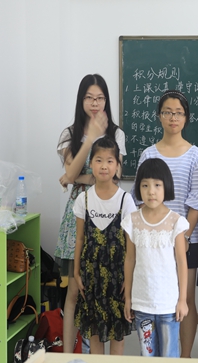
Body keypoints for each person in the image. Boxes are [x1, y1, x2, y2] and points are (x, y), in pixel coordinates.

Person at [132, 90, 198, 358]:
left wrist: (184, 236)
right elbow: (140, 199)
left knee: (184, 298)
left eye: (178, 113)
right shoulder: (148, 154)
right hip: (153, 241)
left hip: (186, 239)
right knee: (156, 299)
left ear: (186, 117)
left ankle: (184, 356)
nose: (173, 117)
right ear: (159, 116)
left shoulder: (194, 154)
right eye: (167, 112)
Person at [55, 73, 126, 352]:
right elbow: (72, 173)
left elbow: (115, 176)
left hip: (109, 213)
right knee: (75, 290)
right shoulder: (69, 134)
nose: (95, 103)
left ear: (106, 100)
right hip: (78, 214)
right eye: (89, 98)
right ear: (81, 100)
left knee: (105, 286)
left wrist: (74, 178)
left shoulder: (117, 134)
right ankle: (69, 352)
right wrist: (90, 139)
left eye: (100, 98)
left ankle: (99, 350)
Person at [73, 136, 136, 355]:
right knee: (95, 332)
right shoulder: (83, 199)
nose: (104, 166)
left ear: (117, 166)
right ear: (91, 163)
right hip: (91, 276)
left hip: (118, 276)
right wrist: (76, 272)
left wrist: (129, 280)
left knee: (117, 333)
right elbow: (80, 239)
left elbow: (130, 248)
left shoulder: (125, 200)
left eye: (110, 161)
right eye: (99, 160)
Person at [124, 158, 190, 358]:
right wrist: (128, 299)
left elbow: (181, 262)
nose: (151, 191)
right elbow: (129, 260)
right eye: (145, 185)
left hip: (169, 304)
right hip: (142, 302)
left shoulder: (176, 221)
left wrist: (182, 300)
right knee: (148, 355)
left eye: (157, 185)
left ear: (166, 186)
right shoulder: (132, 220)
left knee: (169, 355)